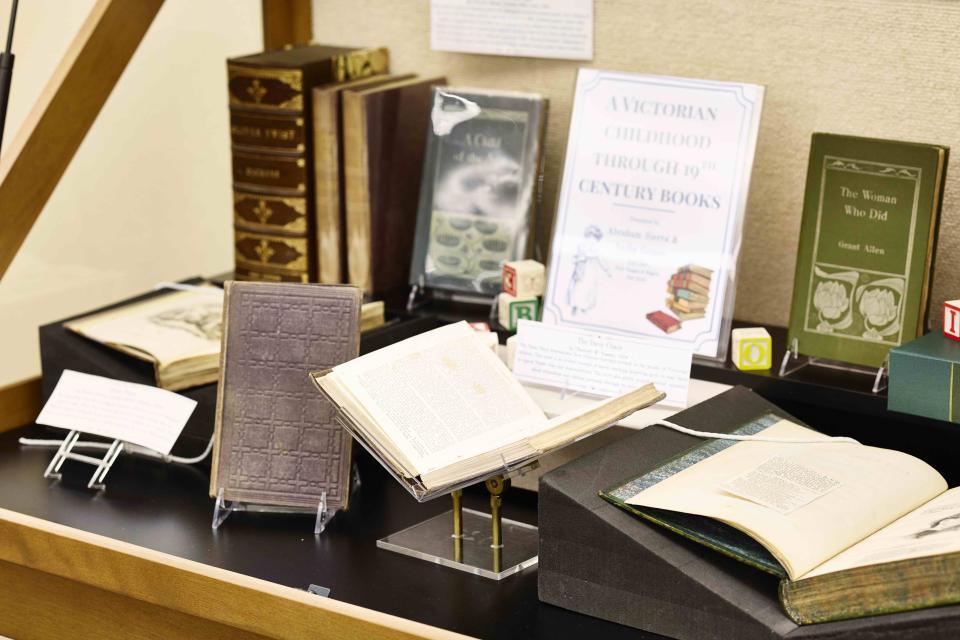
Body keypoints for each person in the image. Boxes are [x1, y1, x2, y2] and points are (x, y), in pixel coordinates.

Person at [566, 225, 610, 315]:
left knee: (587, 287)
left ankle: (583, 307)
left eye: (593, 235)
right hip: (582, 268)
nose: (592, 238)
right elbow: (577, 256)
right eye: (590, 234)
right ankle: (576, 306)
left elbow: (600, 258)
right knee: (579, 286)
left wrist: (607, 270)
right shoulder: (582, 245)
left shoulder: (596, 246)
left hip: (590, 269)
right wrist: (579, 259)